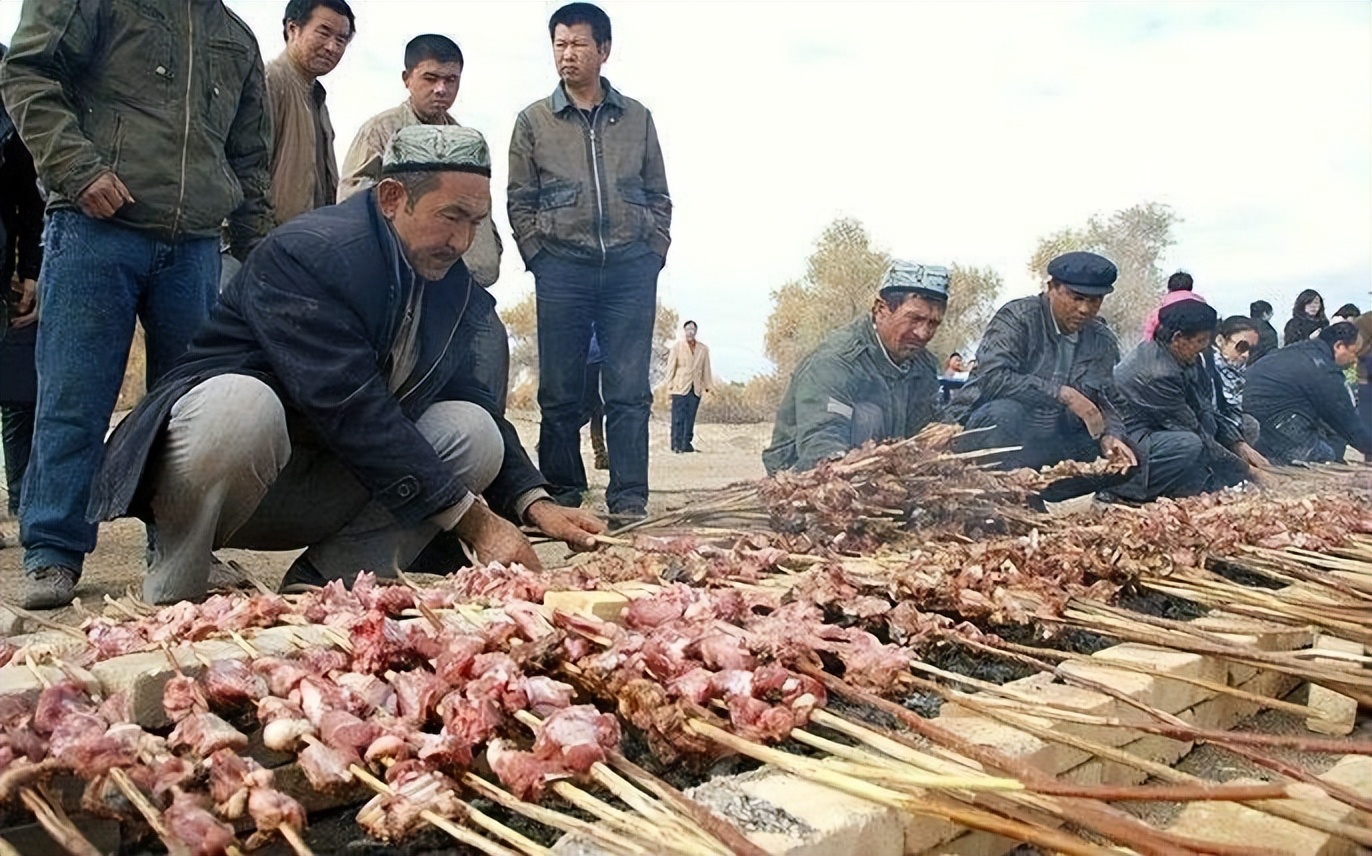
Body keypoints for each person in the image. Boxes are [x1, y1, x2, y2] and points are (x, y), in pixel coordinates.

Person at [88, 126, 604, 605]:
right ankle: (177, 588)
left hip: (337, 482)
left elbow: (470, 396)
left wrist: (533, 502)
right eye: (450, 216)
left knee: (474, 430)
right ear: (392, 198)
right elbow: (352, 407)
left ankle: (327, 584)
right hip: (239, 485)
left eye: (475, 222)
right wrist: (479, 523)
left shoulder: (447, 285)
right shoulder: (309, 255)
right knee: (240, 406)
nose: (462, 242)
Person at [1, 0, 273, 608]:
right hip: (95, 228)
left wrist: (257, 249)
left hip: (195, 243)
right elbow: (26, 72)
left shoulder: (237, 37)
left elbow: (251, 156)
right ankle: (52, 551)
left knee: (190, 409)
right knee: (74, 395)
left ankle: (180, 549)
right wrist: (77, 169)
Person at [508, 2, 671, 521]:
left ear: (604, 49)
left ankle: (629, 498)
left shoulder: (636, 117)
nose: (567, 54)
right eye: (559, 44)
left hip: (630, 269)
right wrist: (538, 256)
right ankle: (563, 492)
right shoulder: (533, 120)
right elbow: (519, 199)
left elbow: (658, 193)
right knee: (559, 390)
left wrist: (654, 250)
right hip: (562, 268)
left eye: (578, 44)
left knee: (628, 390)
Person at [339, 33, 509, 412]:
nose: (441, 89)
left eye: (451, 80)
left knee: (489, 347)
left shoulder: (466, 140)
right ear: (407, 78)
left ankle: (489, 439)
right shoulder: (381, 131)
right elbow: (354, 202)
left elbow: (480, 206)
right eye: (430, 78)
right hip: (397, 283)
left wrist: (489, 251)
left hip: (460, 281)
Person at [763, 261, 959, 475]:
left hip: (883, 475)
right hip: (806, 475)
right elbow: (821, 438)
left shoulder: (923, 365)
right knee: (868, 415)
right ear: (881, 309)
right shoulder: (837, 361)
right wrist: (840, 465)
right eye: (914, 319)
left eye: (933, 323)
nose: (923, 333)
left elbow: (927, 425)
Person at [952, 251, 1135, 471]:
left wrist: (1112, 435)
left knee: (1124, 456)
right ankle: (992, 487)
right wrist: (1062, 394)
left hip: (1051, 439)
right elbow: (992, 378)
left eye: (1095, 300)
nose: (1084, 309)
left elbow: (1108, 400)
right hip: (994, 428)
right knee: (1005, 414)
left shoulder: (1102, 340)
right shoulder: (1018, 318)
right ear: (1051, 288)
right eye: (1076, 298)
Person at [1109, 301, 1264, 503]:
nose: (1204, 347)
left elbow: (1204, 407)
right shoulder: (1157, 373)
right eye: (1200, 340)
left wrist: (1239, 444)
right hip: (1130, 436)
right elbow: (1192, 429)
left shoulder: (1185, 356)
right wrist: (1250, 471)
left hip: (1163, 426)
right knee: (1188, 444)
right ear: (1178, 338)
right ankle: (1129, 492)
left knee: (1217, 422)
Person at [0, 53, 42, 545]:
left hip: (4, 273)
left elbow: (28, 199)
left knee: (18, 394)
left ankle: (23, 497)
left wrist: (30, 270)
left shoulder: (10, 79)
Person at [266, 0, 353, 227]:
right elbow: (247, 168)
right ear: (292, 29)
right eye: (323, 33)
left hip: (308, 234)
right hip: (270, 236)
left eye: (341, 40)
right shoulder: (270, 82)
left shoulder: (316, 96)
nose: (332, 47)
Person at [1243, 321, 1372, 464]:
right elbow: (1347, 423)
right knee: (1325, 455)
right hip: (1273, 422)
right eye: (1355, 353)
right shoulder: (1323, 369)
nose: (1355, 361)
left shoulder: (1300, 350)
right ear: (1339, 346)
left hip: (1247, 419)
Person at [1200, 315, 1261, 446]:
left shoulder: (1237, 372)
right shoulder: (1204, 366)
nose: (1246, 355)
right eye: (1242, 347)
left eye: (1251, 350)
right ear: (1220, 341)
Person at [662, 320, 714, 453]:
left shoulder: (703, 349)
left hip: (695, 387)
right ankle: (676, 444)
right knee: (678, 417)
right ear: (684, 331)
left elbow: (706, 369)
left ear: (696, 331)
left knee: (690, 417)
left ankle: (686, 444)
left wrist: (708, 386)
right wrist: (669, 386)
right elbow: (671, 368)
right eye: (688, 329)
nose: (690, 332)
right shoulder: (677, 347)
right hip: (679, 387)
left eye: (692, 329)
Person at [1140, 270, 1205, 341]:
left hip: (1171, 342)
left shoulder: (1165, 305)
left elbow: (1151, 326)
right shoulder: (1200, 303)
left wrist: (1148, 340)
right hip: (1197, 340)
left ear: (1169, 288)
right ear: (1190, 287)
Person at [582, 329, 609, 470]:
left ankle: (600, 454)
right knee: (590, 409)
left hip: (593, 360)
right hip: (588, 361)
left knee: (595, 408)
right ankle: (550, 439)